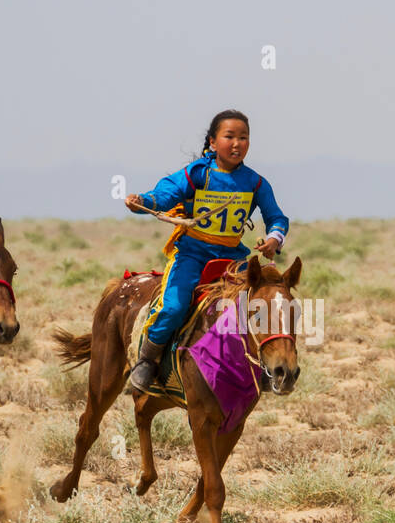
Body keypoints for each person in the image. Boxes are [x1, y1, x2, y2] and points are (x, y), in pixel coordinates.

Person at [124, 109, 289, 393]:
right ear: (213, 142)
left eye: (243, 137)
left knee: (262, 305)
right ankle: (147, 360)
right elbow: (165, 194)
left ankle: (263, 365)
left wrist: (274, 239)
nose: (237, 143)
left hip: (233, 258)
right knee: (174, 306)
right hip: (192, 254)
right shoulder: (198, 173)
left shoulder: (256, 183)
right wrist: (144, 200)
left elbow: (277, 218)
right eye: (229, 137)